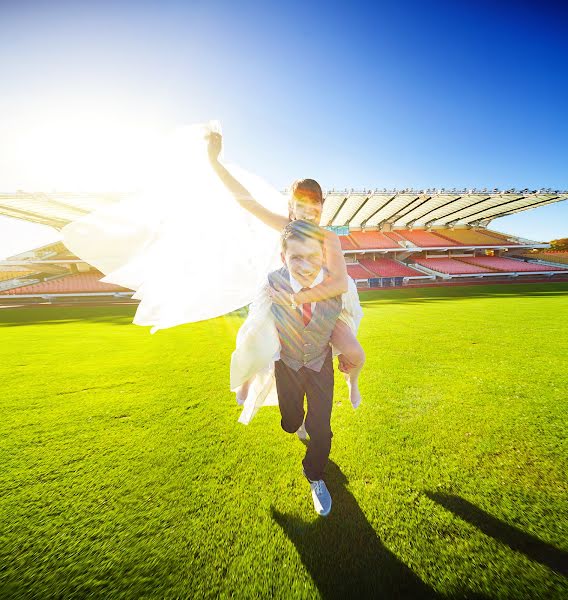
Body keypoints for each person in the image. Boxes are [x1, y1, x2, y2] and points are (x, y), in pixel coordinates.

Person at [207, 132, 366, 410]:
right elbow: (247, 201)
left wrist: (297, 299)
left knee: (354, 352)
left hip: (324, 304)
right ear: (291, 209)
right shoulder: (285, 227)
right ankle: (247, 381)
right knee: (259, 340)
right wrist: (215, 161)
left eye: (313, 207)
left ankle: (352, 382)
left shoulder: (329, 238)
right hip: (286, 297)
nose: (307, 212)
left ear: (321, 209)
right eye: (300, 206)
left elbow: (339, 283)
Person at [269, 219, 341, 516]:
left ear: (323, 256)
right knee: (290, 421)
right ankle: (295, 423)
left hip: (320, 364)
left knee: (322, 429)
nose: (305, 264)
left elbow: (346, 322)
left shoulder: (336, 283)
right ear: (283, 257)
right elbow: (254, 327)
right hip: (287, 365)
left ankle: (314, 474)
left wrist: (350, 355)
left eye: (313, 256)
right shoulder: (272, 282)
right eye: (296, 256)